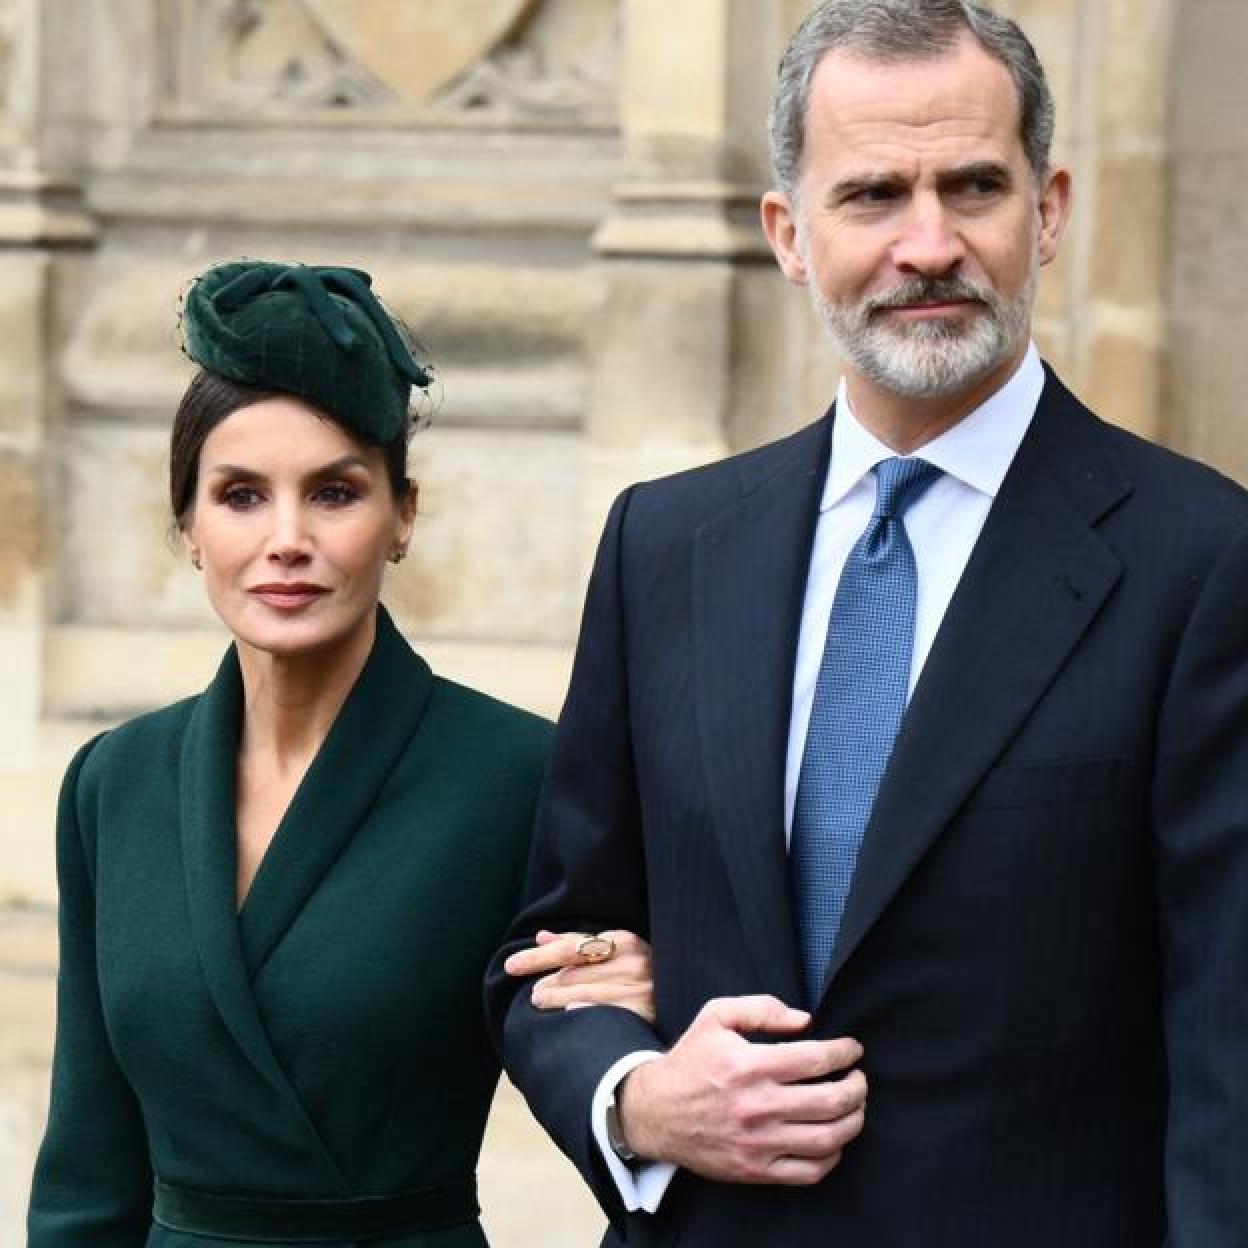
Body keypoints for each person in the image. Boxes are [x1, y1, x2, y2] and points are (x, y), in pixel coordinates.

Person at [487, 2, 1248, 1245]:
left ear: (1049, 209)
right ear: (790, 233)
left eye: (975, 188)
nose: (929, 243)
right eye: (874, 195)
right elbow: (551, 959)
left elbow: (1232, 1055)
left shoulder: (1201, 562)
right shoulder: (665, 549)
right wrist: (638, 1100)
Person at [26, 260, 654, 1248]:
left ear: (402, 516)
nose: (287, 539)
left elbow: (604, 1055)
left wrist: (648, 986)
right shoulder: (114, 782)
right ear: (187, 525)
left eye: (333, 493)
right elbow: (87, 1164)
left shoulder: (518, 776)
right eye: (239, 496)